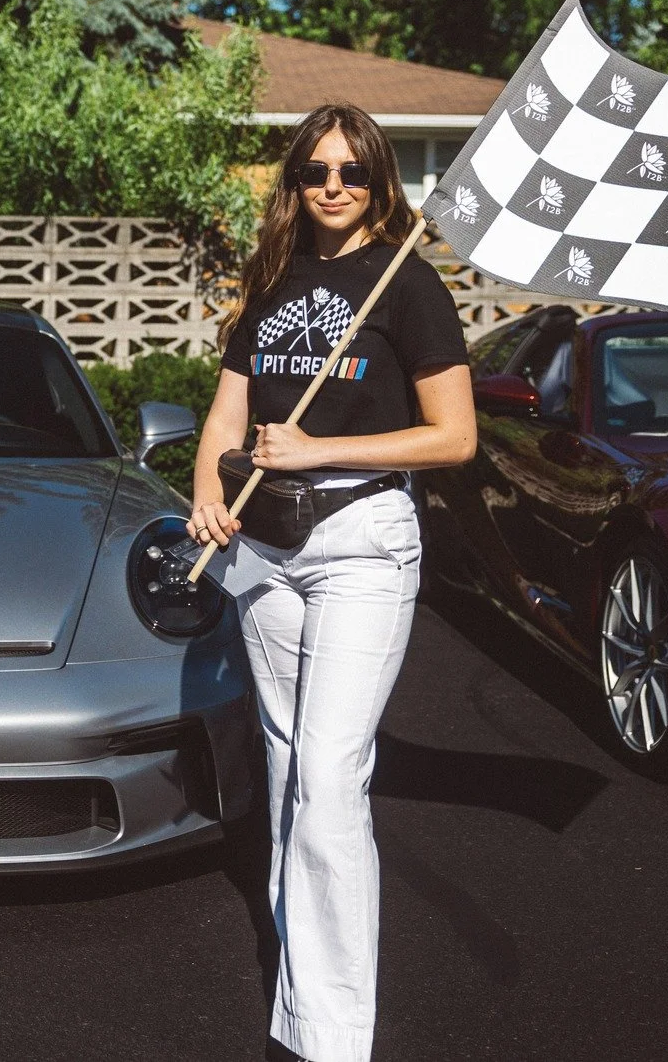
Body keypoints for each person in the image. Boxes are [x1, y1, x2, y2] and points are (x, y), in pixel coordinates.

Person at [188, 104, 474, 1062]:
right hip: (262, 553)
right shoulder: (271, 284)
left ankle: (335, 1037)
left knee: (329, 775)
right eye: (316, 169)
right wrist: (207, 499)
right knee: (284, 770)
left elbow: (454, 437)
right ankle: (300, 992)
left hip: (361, 536)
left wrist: (317, 450)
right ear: (295, 181)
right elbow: (226, 419)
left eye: (352, 169)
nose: (334, 185)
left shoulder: (409, 283)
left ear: (380, 178)